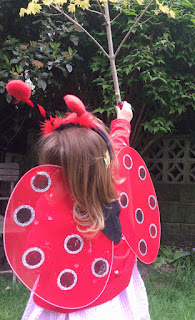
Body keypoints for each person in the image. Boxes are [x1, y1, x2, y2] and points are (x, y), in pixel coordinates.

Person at [5, 80, 158, 320]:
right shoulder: (115, 184)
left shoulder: (48, 207)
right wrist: (122, 121)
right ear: (105, 163)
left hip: (66, 300)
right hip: (115, 301)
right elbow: (117, 145)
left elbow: (38, 259)